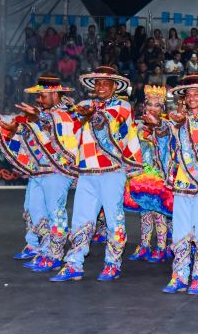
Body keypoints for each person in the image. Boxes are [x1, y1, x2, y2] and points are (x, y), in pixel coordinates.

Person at [0, 75, 78, 271]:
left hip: (57, 172)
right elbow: (15, 124)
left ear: (55, 93)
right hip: (38, 171)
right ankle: (44, 248)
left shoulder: (68, 114)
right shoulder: (39, 113)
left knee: (55, 214)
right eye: (37, 95)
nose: (38, 99)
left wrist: (37, 118)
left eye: (42, 95)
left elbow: (55, 126)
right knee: (34, 211)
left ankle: (55, 255)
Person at [50, 66, 143, 282]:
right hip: (87, 171)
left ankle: (113, 263)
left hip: (112, 171)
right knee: (81, 219)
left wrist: (93, 115)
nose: (101, 87)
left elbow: (111, 123)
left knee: (114, 219)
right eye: (98, 83)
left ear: (114, 87)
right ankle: (74, 264)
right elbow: (67, 124)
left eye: (105, 83)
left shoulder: (122, 106)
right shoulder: (84, 105)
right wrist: (47, 117)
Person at [144, 75, 198, 294]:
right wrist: (160, 128)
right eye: (189, 94)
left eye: (196, 94)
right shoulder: (179, 120)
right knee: (181, 229)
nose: (192, 98)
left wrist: (176, 124)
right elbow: (170, 143)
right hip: (182, 181)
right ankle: (179, 275)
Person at [125, 85, 172, 264]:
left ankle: (161, 247)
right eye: (149, 105)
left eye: (157, 105)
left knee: (159, 212)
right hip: (142, 175)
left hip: (159, 176)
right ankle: (144, 245)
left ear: (163, 108)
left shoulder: (167, 125)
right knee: (144, 211)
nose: (153, 108)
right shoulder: (137, 126)